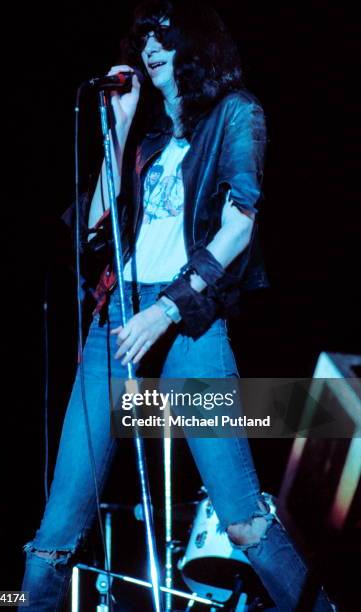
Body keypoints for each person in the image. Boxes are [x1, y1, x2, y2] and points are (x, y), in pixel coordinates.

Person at [20, 1, 335, 610]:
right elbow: (94, 233)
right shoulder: (149, 141)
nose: (148, 47)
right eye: (143, 37)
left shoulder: (236, 115)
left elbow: (239, 225)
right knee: (54, 534)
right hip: (117, 319)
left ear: (195, 45)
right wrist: (118, 125)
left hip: (190, 320)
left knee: (243, 519)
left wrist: (165, 310)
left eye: (163, 35)